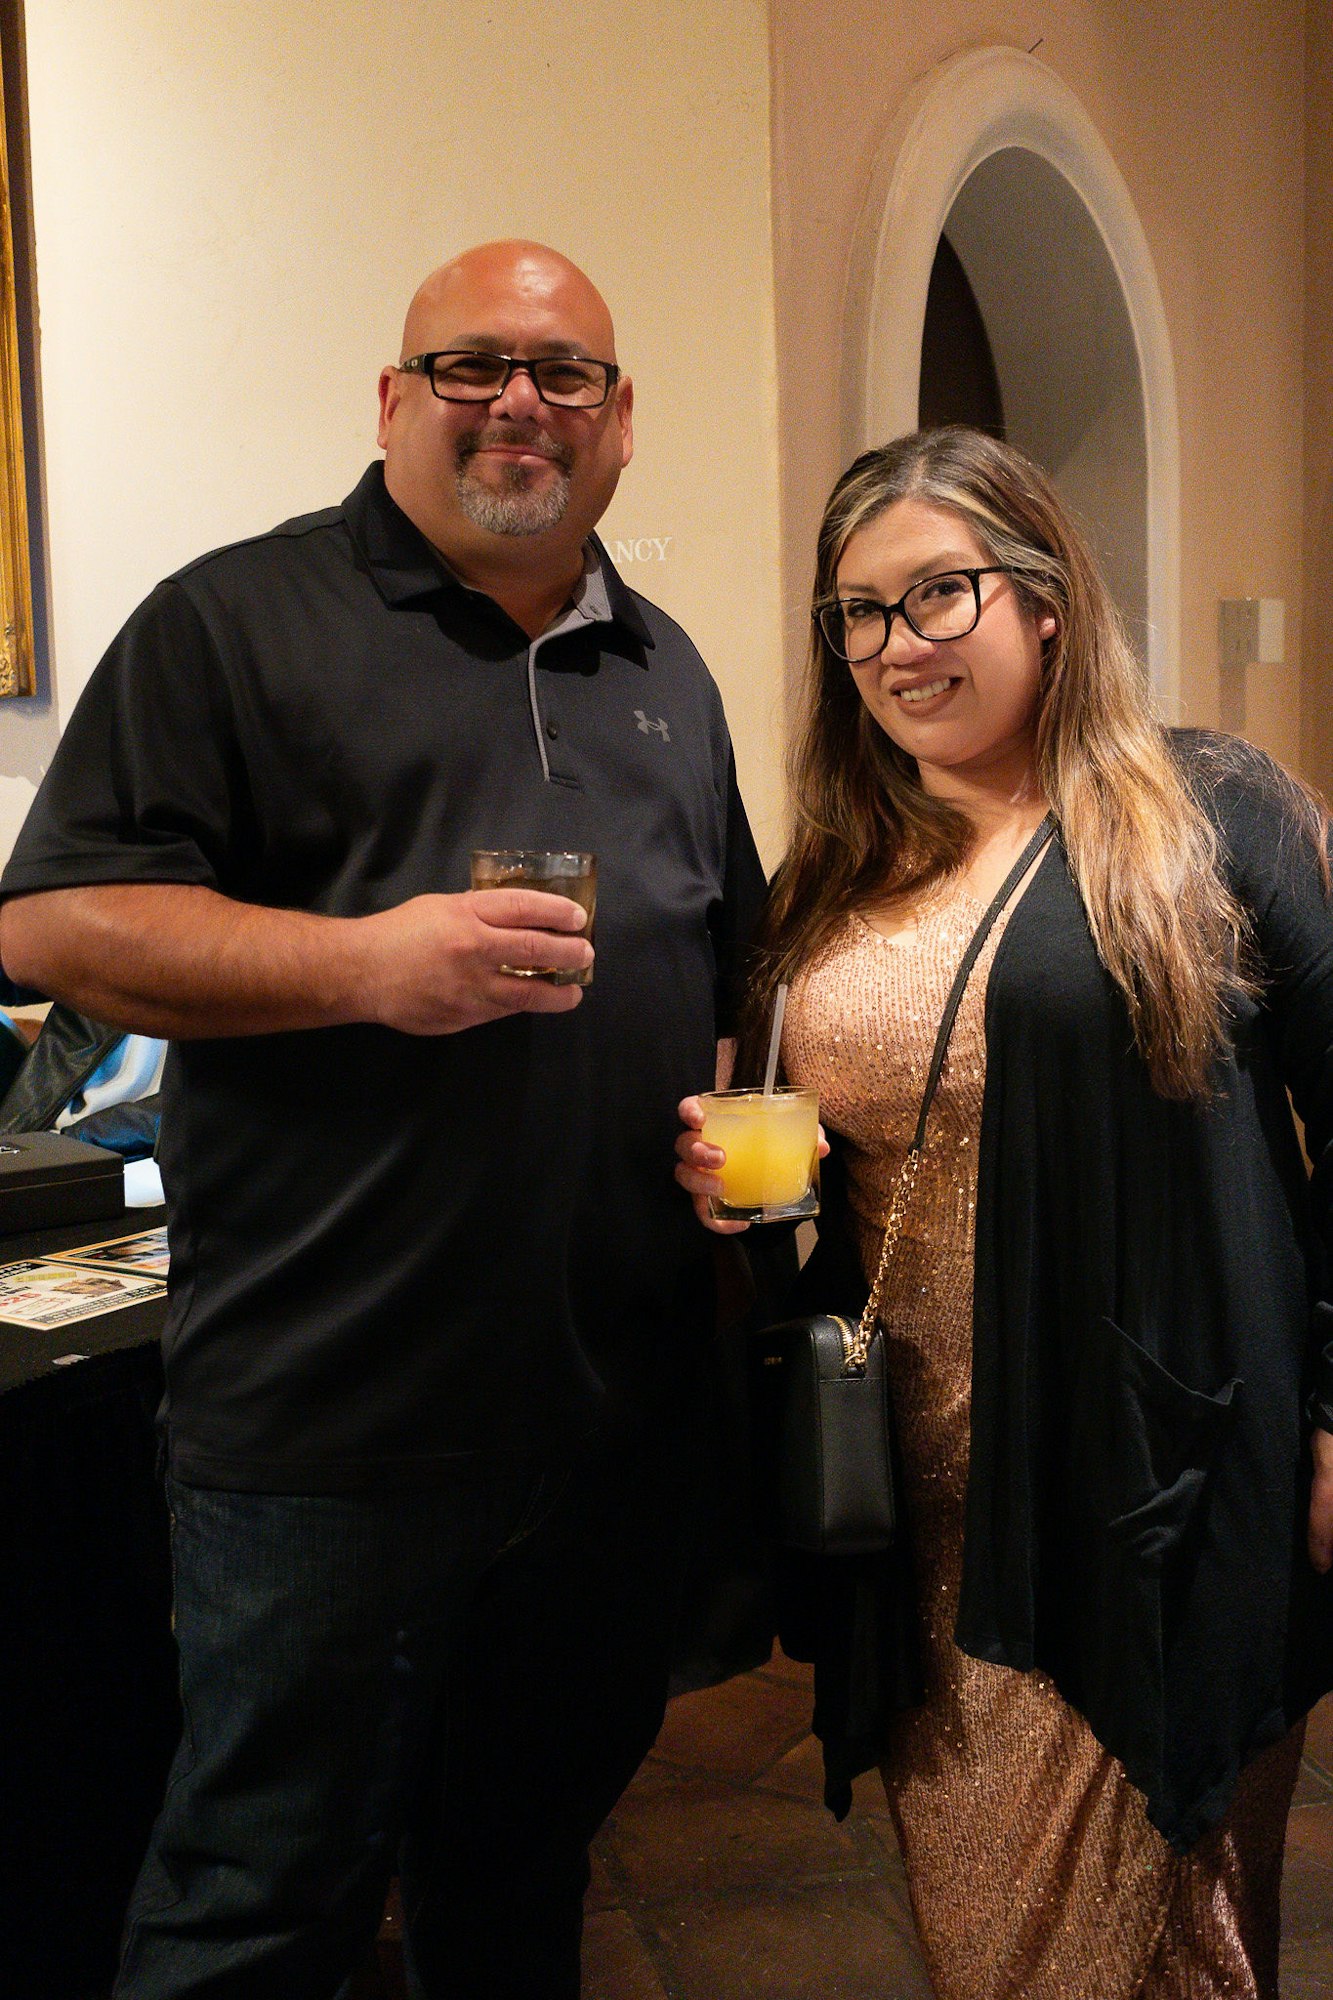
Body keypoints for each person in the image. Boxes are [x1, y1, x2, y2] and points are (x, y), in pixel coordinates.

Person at [0, 240, 765, 1999]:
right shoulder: (233, 623)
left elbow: (718, 953)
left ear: (622, 419)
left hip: (604, 1422)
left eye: (564, 371)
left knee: (518, 1875)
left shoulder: (665, 669)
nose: (520, 401)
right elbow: (47, 924)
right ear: (392, 399)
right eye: (471, 364)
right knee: (258, 1904)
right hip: (327, 1430)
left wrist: (725, 1120)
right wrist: (363, 966)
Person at [676, 425, 1333, 1999]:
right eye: (857, 612)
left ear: (1044, 600)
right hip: (914, 1511)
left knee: (1117, 1948)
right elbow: (819, 1172)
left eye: (937, 594)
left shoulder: (1202, 815)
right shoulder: (833, 877)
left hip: (1140, 1494)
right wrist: (739, 1191)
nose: (894, 646)